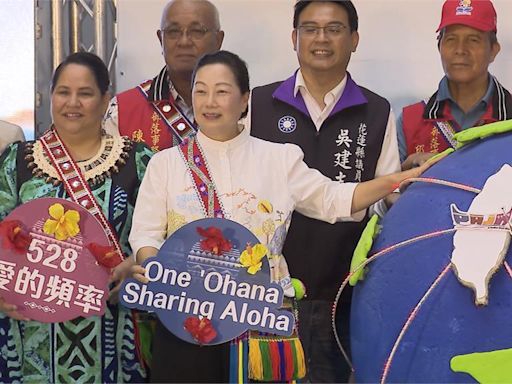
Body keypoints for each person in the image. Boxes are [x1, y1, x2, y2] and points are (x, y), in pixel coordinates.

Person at [129, 50, 434, 383]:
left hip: (261, 319)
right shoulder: (167, 164)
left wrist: (397, 180)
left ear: (245, 99)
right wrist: (156, 267)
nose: (209, 101)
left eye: (222, 91)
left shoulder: (278, 159)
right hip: (187, 320)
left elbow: (335, 199)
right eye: (201, 91)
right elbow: (146, 234)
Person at [247, 1, 400, 381]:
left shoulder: (377, 111)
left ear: (354, 39)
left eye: (334, 29)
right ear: (294, 37)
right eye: (311, 28)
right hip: (266, 293)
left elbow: (385, 204)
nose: (321, 39)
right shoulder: (258, 103)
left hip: (344, 296)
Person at [0, 52, 152, 383]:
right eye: (63, 92)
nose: (73, 102)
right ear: (51, 96)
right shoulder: (17, 162)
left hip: (113, 330)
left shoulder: (136, 162)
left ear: (105, 100)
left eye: (85, 93)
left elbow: (163, 235)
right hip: (31, 341)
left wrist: (136, 266)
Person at [397, 0, 512, 169]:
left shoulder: (509, 114)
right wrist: (406, 170)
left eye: (473, 40)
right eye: (451, 39)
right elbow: (389, 192)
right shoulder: (410, 120)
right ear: (439, 47)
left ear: (493, 50)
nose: (460, 50)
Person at [103, 0, 224, 151]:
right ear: (161, 39)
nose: (184, 41)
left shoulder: (246, 109)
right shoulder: (121, 111)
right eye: (173, 32)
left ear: (218, 40)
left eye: (197, 31)